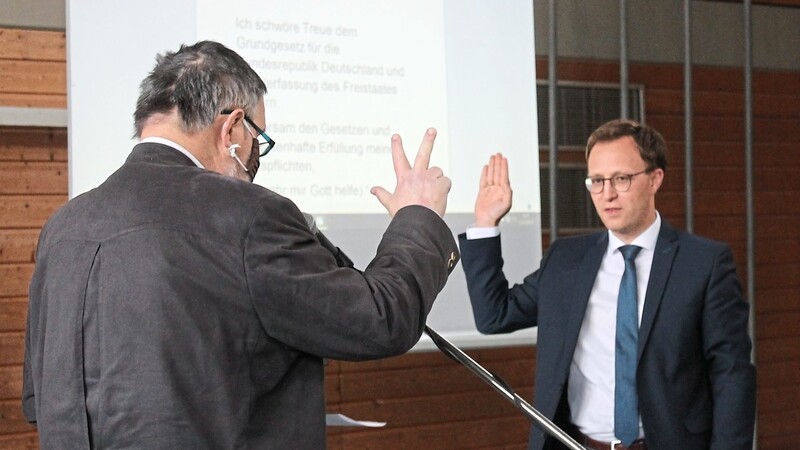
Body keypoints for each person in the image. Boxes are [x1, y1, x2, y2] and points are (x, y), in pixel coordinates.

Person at [22, 40, 459, 449]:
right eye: (259, 141)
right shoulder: (249, 216)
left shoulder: (63, 227)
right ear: (232, 127)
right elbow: (380, 319)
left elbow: (39, 398)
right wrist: (416, 215)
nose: (256, 159)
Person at [459, 119, 755, 450]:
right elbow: (494, 315)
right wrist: (486, 223)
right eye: (597, 181)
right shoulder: (566, 260)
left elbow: (732, 375)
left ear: (655, 179)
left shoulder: (704, 264)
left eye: (622, 179)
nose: (607, 194)